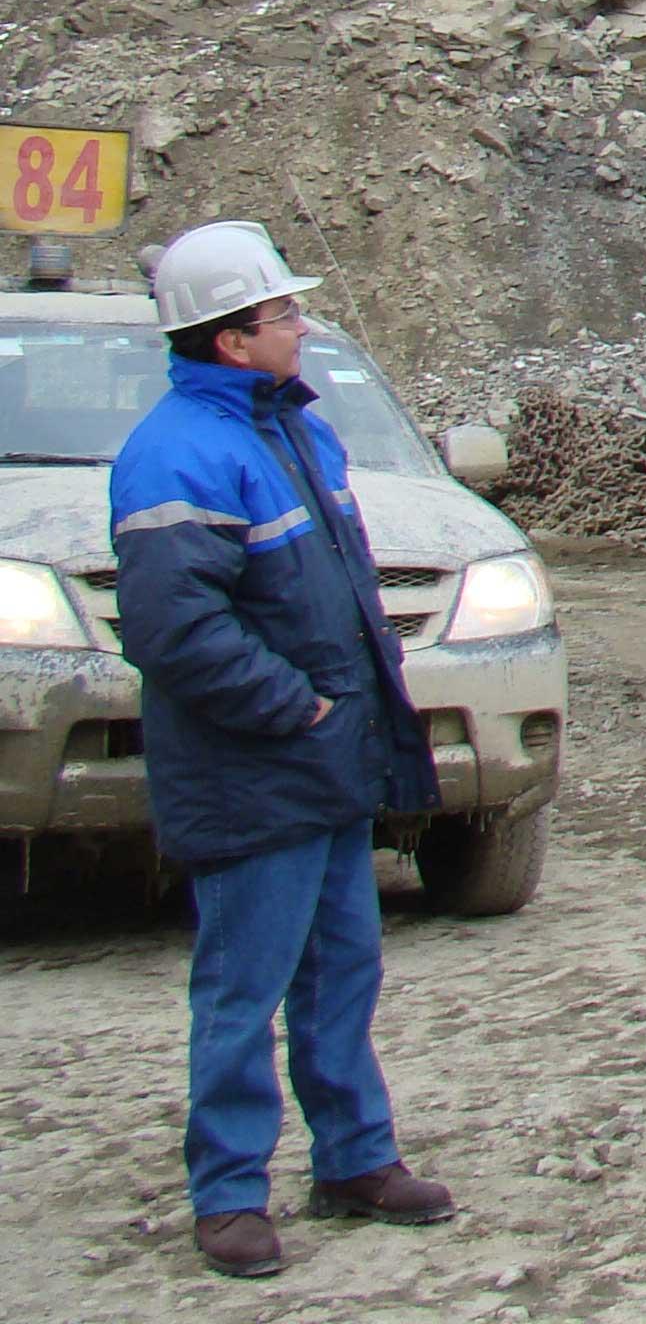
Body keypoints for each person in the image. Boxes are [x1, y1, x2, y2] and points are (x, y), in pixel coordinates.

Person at [108, 223, 452, 1280]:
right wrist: (297, 708)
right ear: (229, 341)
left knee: (341, 973)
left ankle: (353, 1159)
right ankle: (228, 1195)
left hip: (322, 766)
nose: (299, 326)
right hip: (255, 771)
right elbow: (176, 633)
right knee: (243, 989)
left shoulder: (292, 431)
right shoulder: (177, 454)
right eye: (282, 314)